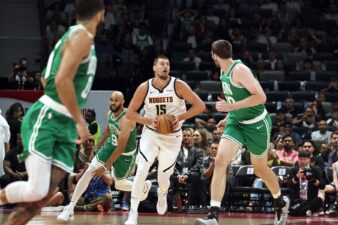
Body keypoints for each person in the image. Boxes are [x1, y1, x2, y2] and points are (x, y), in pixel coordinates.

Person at [0, 1, 105, 224]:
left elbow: (46, 77)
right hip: (49, 117)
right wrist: (79, 121)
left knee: (43, 195)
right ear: (101, 15)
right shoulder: (82, 36)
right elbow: (60, 80)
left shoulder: (71, 37)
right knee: (37, 191)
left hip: (62, 122)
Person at [195, 40, 289, 225]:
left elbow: (261, 97)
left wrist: (231, 106)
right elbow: (236, 98)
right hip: (236, 122)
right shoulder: (223, 71)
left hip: (256, 125)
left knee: (260, 168)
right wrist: (229, 115)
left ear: (214, 55)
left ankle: (280, 202)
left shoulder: (239, 70)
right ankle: (213, 216)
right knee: (220, 160)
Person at [124, 55, 206, 224]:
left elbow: (200, 106)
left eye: (167, 64)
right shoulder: (144, 87)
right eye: (161, 64)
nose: (165, 67)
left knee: (163, 175)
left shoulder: (178, 85)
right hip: (151, 132)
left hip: (172, 136)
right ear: (154, 67)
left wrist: (180, 117)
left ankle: (162, 194)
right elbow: (130, 113)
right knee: (141, 169)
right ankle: (133, 212)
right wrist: (149, 120)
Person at [58, 91, 151, 220]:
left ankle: (143, 186)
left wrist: (105, 167)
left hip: (125, 153)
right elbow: (108, 130)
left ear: (123, 102)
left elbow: (121, 147)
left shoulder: (126, 119)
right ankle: (70, 207)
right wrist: (96, 149)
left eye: (116, 100)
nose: (113, 102)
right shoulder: (109, 114)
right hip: (110, 146)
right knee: (89, 172)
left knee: (119, 184)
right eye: (111, 100)